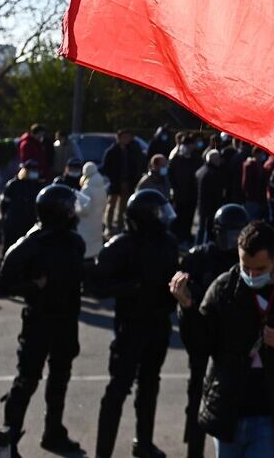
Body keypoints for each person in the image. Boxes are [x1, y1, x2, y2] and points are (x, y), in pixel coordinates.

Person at [170, 220, 274, 458]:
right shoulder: (224, 289)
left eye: (259, 269)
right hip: (230, 412)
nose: (251, 275)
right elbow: (201, 345)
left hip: (272, 415)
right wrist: (187, 308)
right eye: (245, 267)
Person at [0, 184, 87, 456]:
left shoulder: (74, 241)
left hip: (67, 320)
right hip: (39, 322)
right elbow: (2, 284)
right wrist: (33, 285)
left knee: (60, 379)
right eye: (69, 207)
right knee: (27, 380)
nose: (74, 212)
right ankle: (8, 438)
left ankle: (53, 432)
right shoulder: (30, 244)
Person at [90, 188, 179, 458]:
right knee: (118, 389)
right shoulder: (121, 246)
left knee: (150, 385)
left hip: (159, 325)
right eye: (158, 212)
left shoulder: (168, 243)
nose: (164, 217)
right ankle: (102, 452)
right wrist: (129, 288)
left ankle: (144, 442)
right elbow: (96, 284)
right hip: (131, 327)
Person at [177, 204, 250, 458]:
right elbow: (185, 293)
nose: (232, 243)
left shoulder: (248, 262)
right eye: (228, 235)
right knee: (197, 400)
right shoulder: (199, 258)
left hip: (236, 342)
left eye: (237, 236)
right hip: (204, 336)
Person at [102, 129, 147, 235]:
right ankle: (108, 226)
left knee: (123, 206)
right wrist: (113, 178)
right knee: (111, 205)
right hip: (115, 182)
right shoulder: (111, 151)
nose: (126, 139)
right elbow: (105, 167)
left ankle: (120, 226)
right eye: (124, 137)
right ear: (119, 138)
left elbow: (138, 165)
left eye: (128, 137)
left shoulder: (132, 150)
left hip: (128, 182)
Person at [0, 160, 43, 252]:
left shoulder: (38, 186)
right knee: (9, 248)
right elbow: (4, 204)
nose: (34, 172)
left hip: (31, 223)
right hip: (14, 223)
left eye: (35, 170)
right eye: (31, 170)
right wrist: (6, 219)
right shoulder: (13, 184)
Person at [169, 132, 202, 240]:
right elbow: (170, 176)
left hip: (191, 195)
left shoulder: (196, 159)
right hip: (179, 195)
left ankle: (186, 236)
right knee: (178, 217)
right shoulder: (175, 160)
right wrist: (174, 189)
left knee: (189, 218)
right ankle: (177, 237)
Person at [196, 146, 229, 245]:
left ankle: (197, 246)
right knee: (207, 230)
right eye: (217, 158)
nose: (220, 160)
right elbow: (216, 192)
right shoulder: (213, 173)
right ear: (213, 159)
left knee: (201, 229)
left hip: (202, 206)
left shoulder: (201, 171)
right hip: (210, 207)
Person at [77, 160, 108, 261]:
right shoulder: (102, 188)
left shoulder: (87, 189)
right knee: (96, 249)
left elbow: (84, 210)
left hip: (86, 225)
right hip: (97, 223)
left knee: (87, 251)